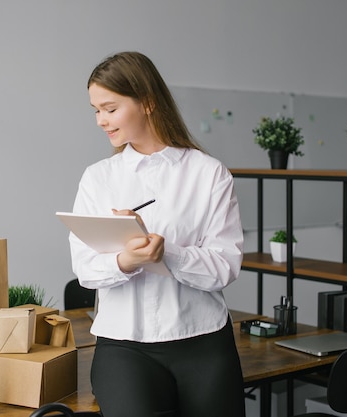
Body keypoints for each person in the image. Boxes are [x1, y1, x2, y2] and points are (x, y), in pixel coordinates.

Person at [68, 51, 245, 417]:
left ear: (147, 102)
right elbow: (85, 269)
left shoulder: (209, 174)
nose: (101, 120)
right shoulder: (98, 178)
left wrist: (168, 253)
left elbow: (225, 266)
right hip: (124, 346)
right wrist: (125, 261)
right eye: (95, 110)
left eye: (110, 108)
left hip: (203, 341)